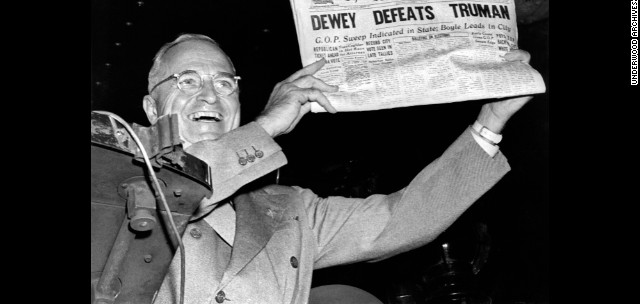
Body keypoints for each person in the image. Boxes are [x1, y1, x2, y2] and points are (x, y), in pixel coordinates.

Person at [142, 33, 533, 304]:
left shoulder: (286, 210)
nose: (210, 94)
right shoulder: (115, 173)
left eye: (226, 84)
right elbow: (175, 194)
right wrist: (264, 129)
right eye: (187, 81)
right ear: (151, 109)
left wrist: (490, 122)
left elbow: (399, 219)